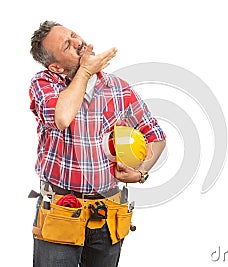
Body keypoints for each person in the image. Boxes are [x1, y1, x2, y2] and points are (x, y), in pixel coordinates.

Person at [28, 20, 166, 267]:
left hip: (107, 214)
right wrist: (85, 72)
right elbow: (61, 118)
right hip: (60, 211)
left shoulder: (118, 88)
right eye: (67, 45)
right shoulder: (44, 84)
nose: (78, 43)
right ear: (56, 67)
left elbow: (155, 135)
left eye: (74, 35)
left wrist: (142, 171)